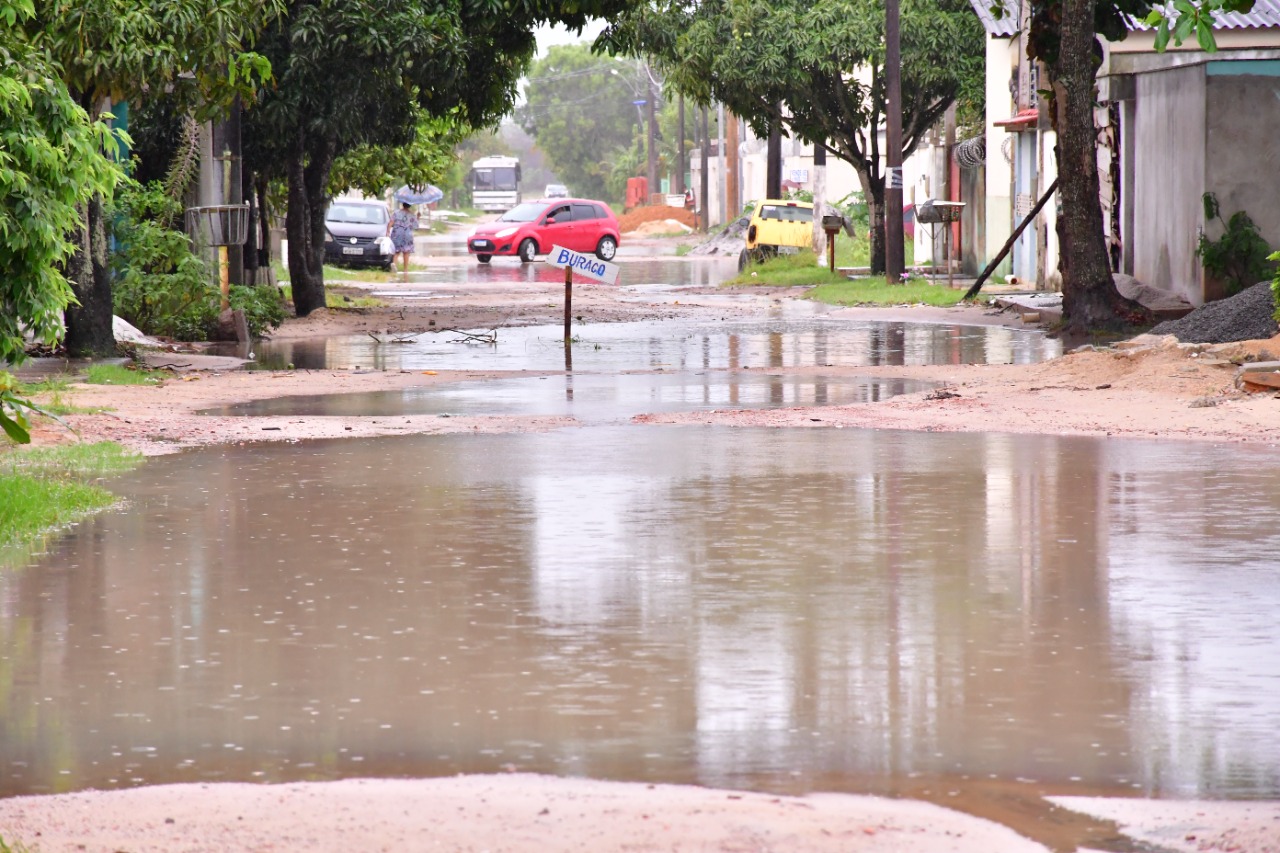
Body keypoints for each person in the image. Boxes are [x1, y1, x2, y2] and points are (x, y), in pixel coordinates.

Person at [387, 202, 418, 276]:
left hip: (397, 233)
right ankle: (405, 270)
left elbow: (391, 222)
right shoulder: (412, 214)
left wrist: (388, 231)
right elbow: (416, 226)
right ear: (409, 205)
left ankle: (394, 264)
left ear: (402, 204)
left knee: (396, 251)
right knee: (406, 252)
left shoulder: (396, 213)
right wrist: (418, 217)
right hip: (407, 234)